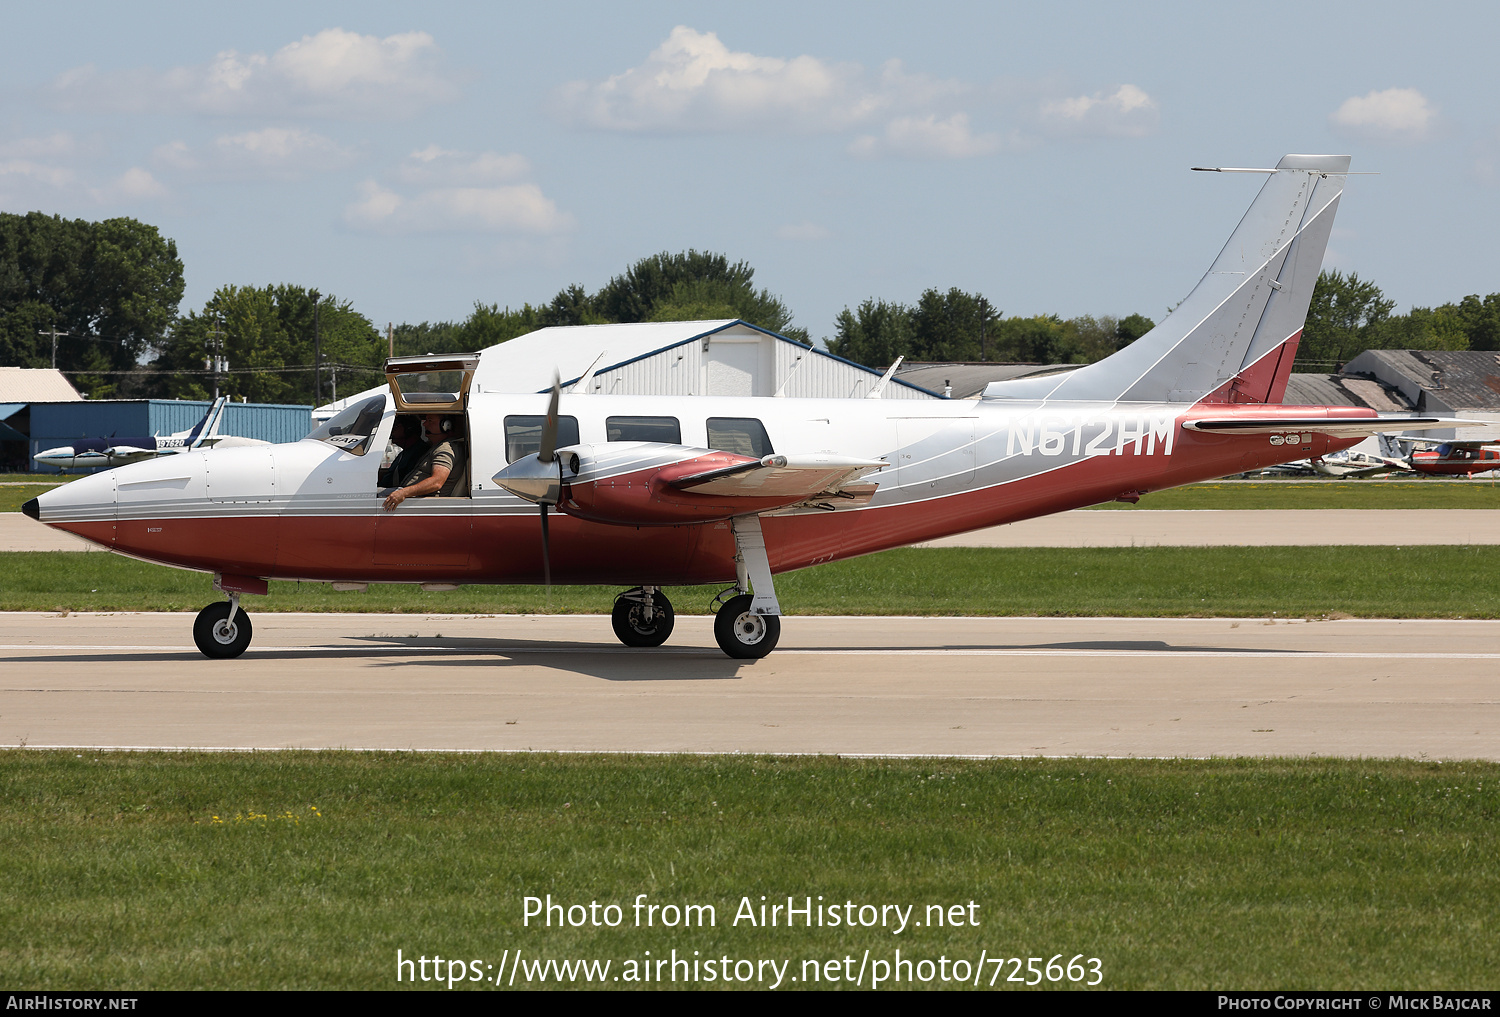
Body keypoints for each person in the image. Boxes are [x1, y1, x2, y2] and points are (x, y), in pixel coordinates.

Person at [383, 414, 457, 511]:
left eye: (430, 421)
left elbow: (437, 482)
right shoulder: (435, 448)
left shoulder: (445, 449)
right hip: (410, 497)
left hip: (418, 502)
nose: (425, 424)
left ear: (446, 425)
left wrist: (403, 493)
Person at [378, 416, 425, 489]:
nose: (392, 431)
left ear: (408, 430)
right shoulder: (405, 453)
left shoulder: (420, 452)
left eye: (396, 426)